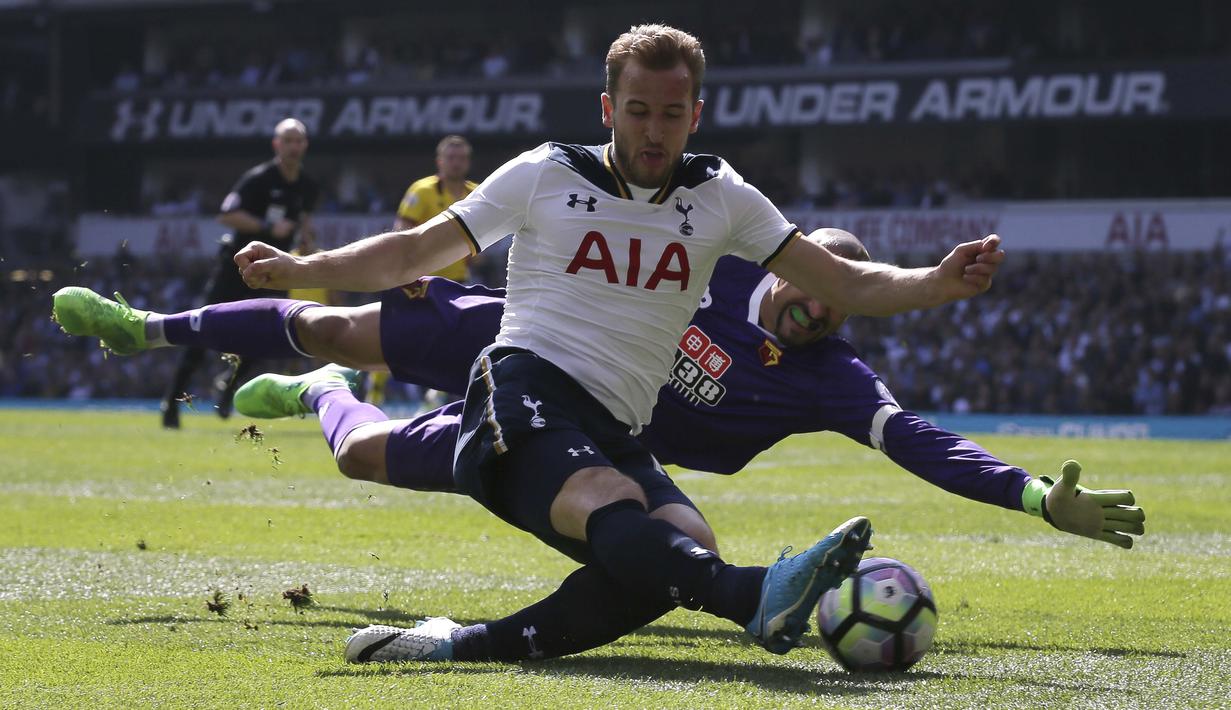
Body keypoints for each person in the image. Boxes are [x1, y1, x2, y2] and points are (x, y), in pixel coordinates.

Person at [61, 25, 1005, 663]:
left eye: (670, 114)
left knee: (674, 548)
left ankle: (460, 646)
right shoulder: (543, 175)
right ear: (608, 107)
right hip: (521, 387)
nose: (652, 129)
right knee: (611, 509)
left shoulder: (722, 197)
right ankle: (757, 594)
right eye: (637, 110)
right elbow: (417, 249)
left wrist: (934, 281)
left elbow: (844, 282)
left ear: (695, 116)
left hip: (616, 424)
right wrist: (309, 259)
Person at [51, 228, 1144, 663]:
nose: (816, 314)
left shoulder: (831, 379)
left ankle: (331, 401)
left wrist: (1038, 494)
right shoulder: (718, 263)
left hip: (608, 437)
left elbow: (921, 441)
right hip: (526, 352)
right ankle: (150, 326)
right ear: (787, 271)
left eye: (837, 309)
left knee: (358, 453)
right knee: (332, 316)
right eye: (807, 292)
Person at [159, 117, 319, 428]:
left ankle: (227, 390)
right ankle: (172, 401)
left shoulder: (307, 186)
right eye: (288, 140)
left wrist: (308, 241)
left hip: (275, 271)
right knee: (201, 328)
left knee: (268, 336)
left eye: (298, 140)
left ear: (305, 145)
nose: (293, 146)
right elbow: (227, 214)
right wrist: (267, 227)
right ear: (276, 144)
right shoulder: (258, 179)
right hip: (237, 266)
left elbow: (304, 220)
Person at [373, 134, 478, 406]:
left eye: (462, 158)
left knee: (457, 343)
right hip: (419, 279)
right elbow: (401, 231)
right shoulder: (422, 191)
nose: (456, 163)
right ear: (439, 161)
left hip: (457, 283)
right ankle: (373, 395)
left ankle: (441, 395)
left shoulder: (476, 192)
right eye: (451, 158)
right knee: (394, 335)